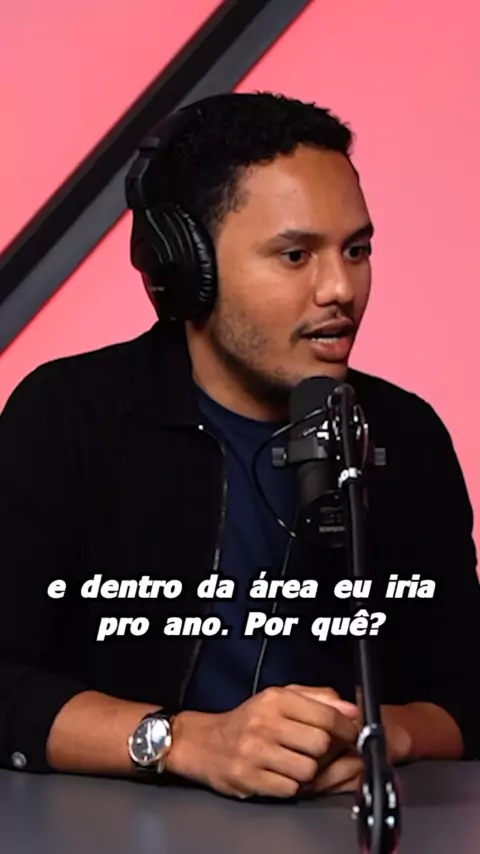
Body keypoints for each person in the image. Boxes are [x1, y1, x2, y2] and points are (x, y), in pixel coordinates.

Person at [0, 92, 478, 802]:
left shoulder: (406, 434)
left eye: (356, 250)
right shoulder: (67, 416)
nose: (340, 288)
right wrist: (187, 741)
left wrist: (382, 734)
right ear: (187, 269)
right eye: (295, 255)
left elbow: (466, 690)